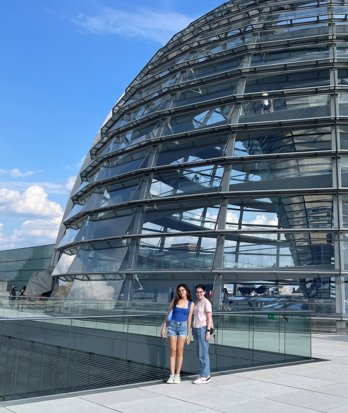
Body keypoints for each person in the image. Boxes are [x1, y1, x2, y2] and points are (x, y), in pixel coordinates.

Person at [161, 284, 194, 384]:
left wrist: (189, 334)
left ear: (187, 291)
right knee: (173, 351)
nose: (181, 292)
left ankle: (177, 375)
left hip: (183, 328)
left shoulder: (191, 304)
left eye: (183, 290)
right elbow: (167, 314)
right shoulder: (175, 301)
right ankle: (171, 375)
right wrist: (163, 328)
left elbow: (189, 319)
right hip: (172, 326)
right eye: (179, 291)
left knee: (180, 352)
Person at [192, 284, 213, 384]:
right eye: (197, 292)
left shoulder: (206, 303)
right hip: (195, 329)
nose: (199, 293)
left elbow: (209, 318)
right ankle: (204, 373)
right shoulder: (197, 302)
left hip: (203, 329)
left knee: (203, 353)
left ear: (204, 292)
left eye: (201, 292)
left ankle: (205, 376)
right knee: (199, 353)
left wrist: (208, 331)